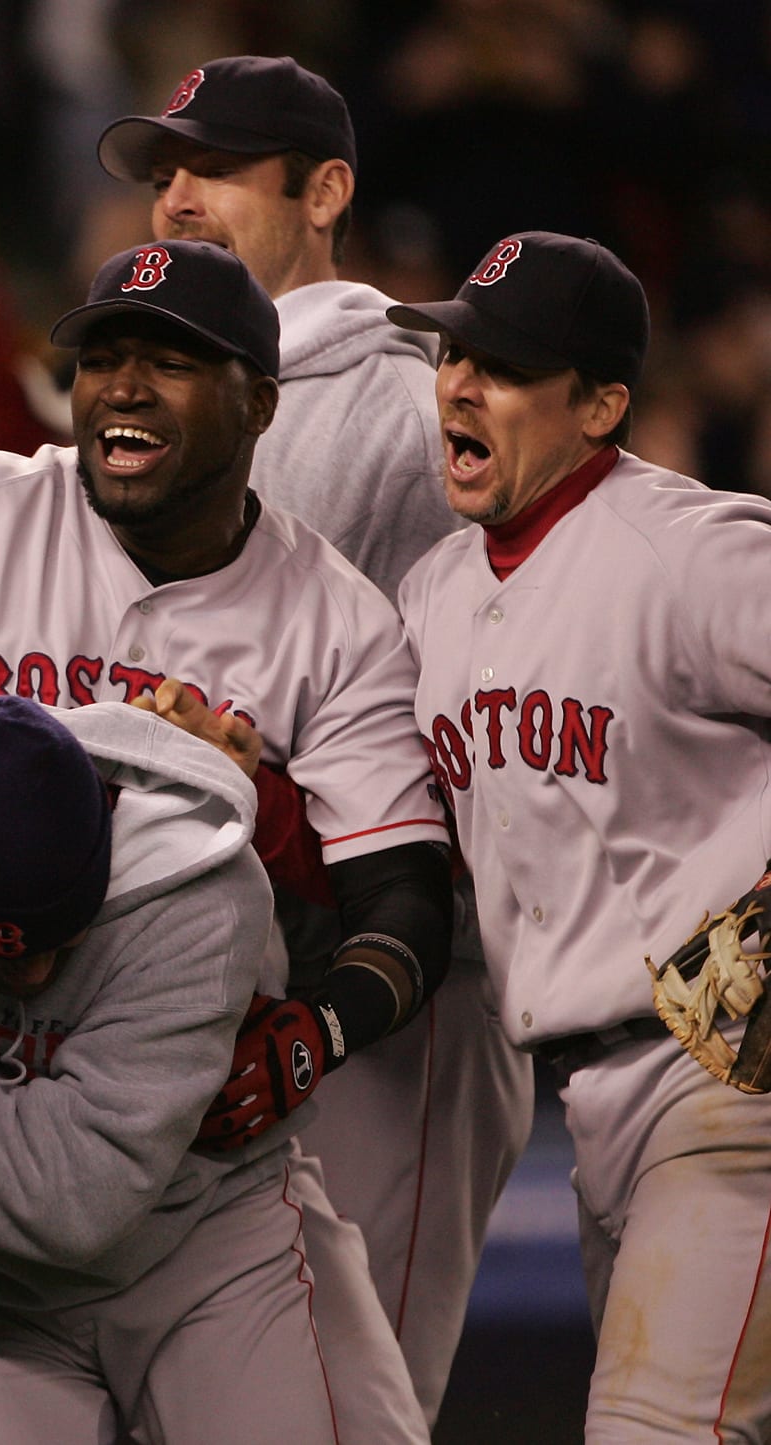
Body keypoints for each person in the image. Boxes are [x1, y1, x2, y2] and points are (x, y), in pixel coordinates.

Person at [0, 238, 447, 1440]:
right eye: (103, 356)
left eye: (171, 361)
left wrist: (321, 1025)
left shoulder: (333, 616)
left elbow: (404, 898)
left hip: (189, 1158)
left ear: (260, 403)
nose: (124, 385)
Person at [96, 55, 531, 1417]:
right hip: (223, 969)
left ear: (326, 190)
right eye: (163, 170)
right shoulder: (168, 405)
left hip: (407, 980)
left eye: (214, 168)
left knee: (363, 1396)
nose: (176, 196)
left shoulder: (413, 404)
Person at [390, 232, 771, 1442]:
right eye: (453, 353)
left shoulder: (693, 551)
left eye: (501, 365)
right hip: (593, 1098)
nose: (458, 382)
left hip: (729, 1081)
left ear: (603, 403)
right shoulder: (434, 593)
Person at [0, 693, 374, 1442]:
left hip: (198, 1248)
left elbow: (65, 1194)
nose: (30, 974)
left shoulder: (198, 889)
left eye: (55, 939)